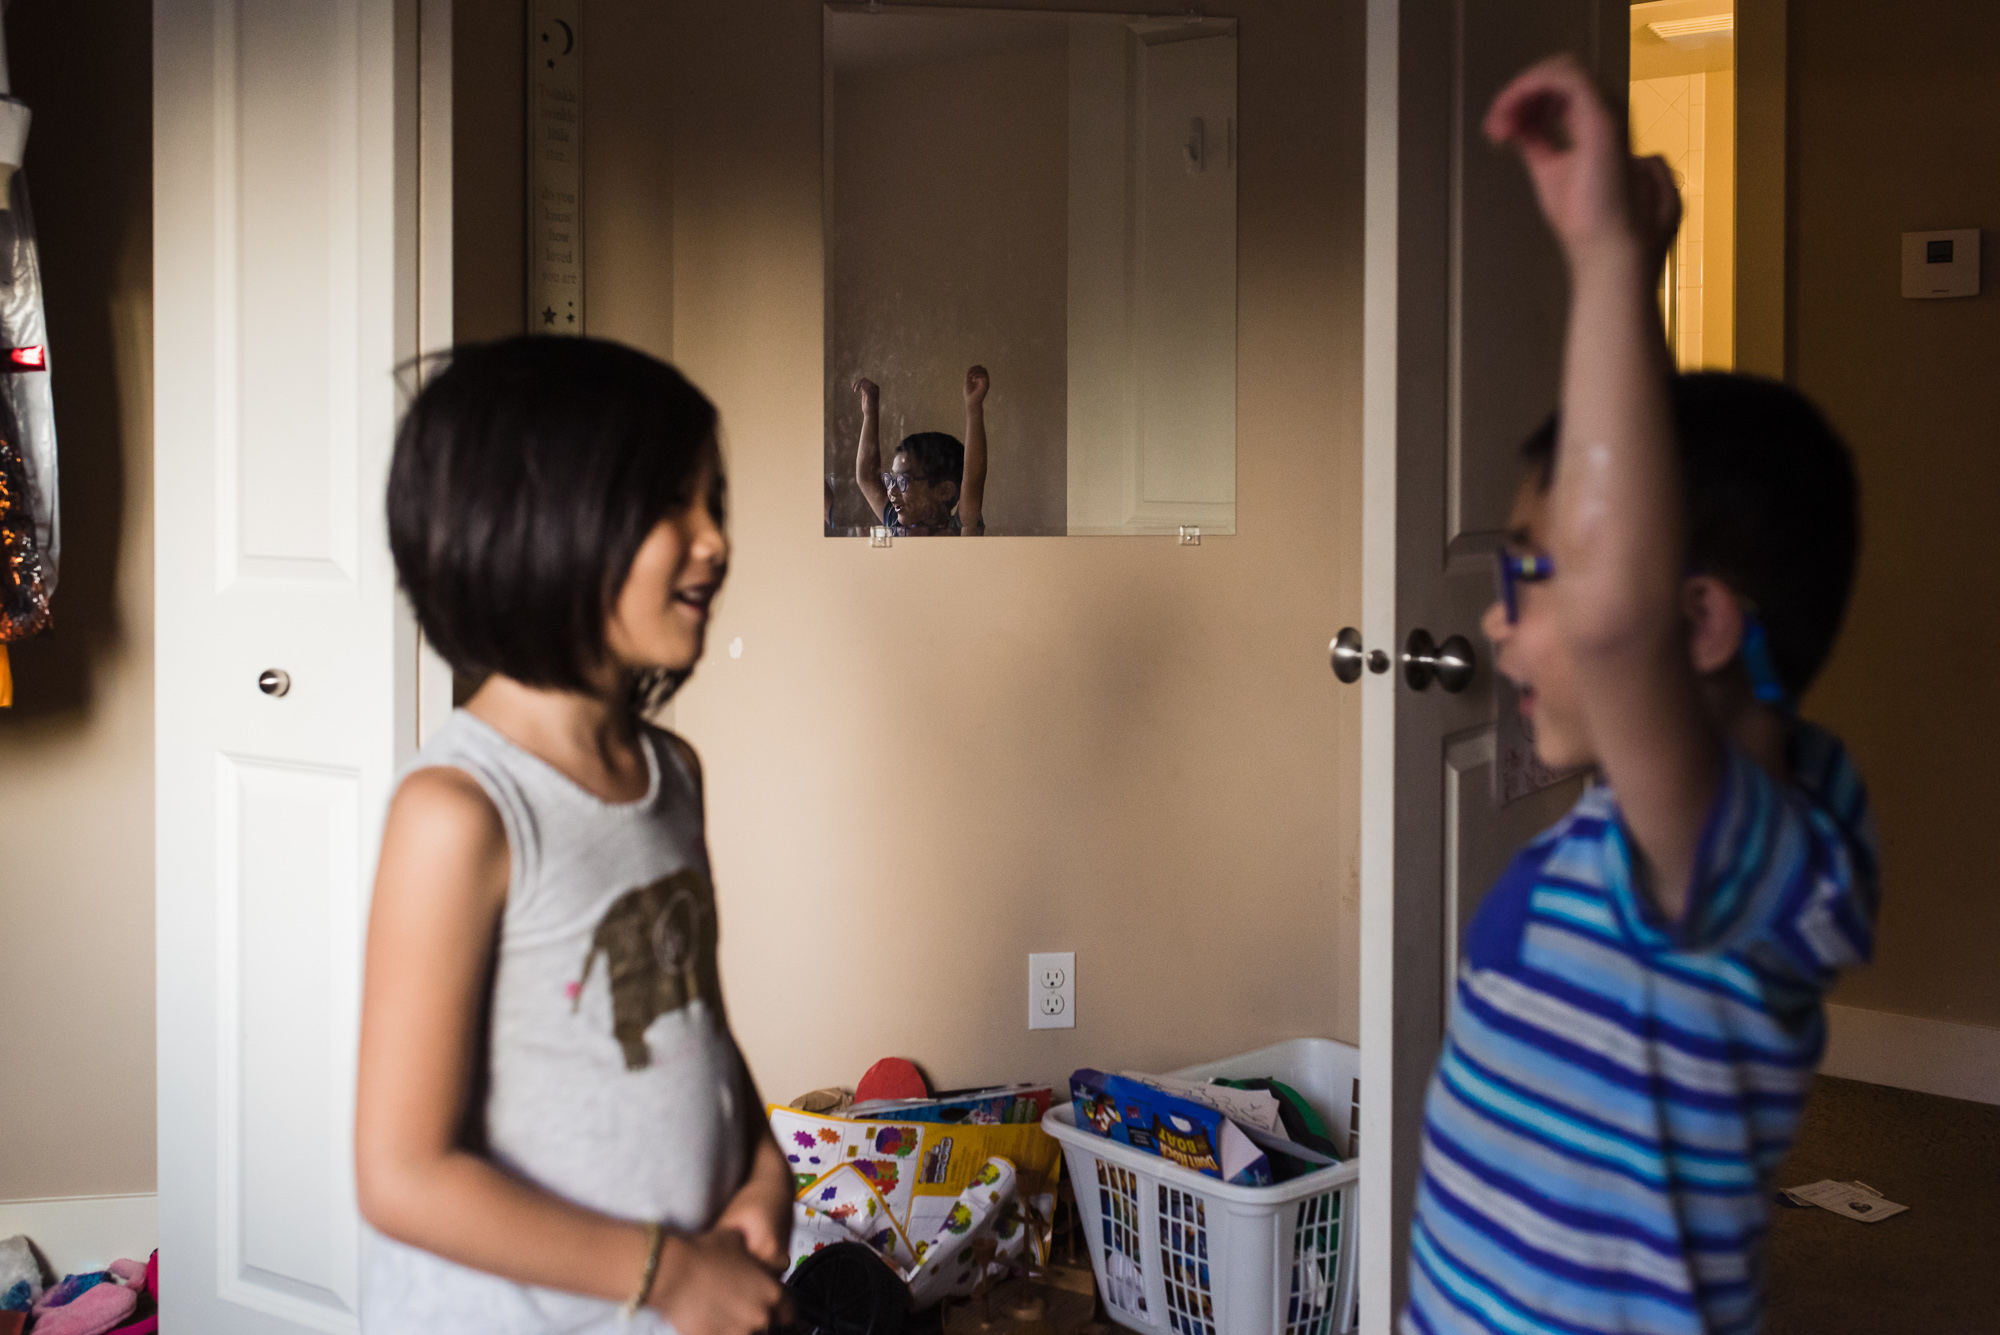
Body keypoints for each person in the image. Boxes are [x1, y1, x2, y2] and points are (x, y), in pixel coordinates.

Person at [1403, 58, 1876, 1334]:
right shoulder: (1646, 836)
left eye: (1530, 572)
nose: (1497, 617)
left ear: (1694, 623)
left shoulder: (1746, 870)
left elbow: (1617, 622)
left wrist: (1607, 256)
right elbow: (1635, 592)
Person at [355, 337, 793, 1335]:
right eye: (668, 508)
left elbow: (698, 1027)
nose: (713, 540)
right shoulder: (459, 814)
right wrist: (672, 1273)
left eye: (712, 501)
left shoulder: (672, 776)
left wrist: (763, 1169)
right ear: (535, 529)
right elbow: (400, 1174)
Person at [853, 365, 989, 535]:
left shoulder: (958, 530)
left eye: (903, 481)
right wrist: (870, 413)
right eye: (891, 480)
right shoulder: (896, 524)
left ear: (944, 491)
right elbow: (867, 478)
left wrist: (974, 408)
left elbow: (973, 480)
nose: (891, 491)